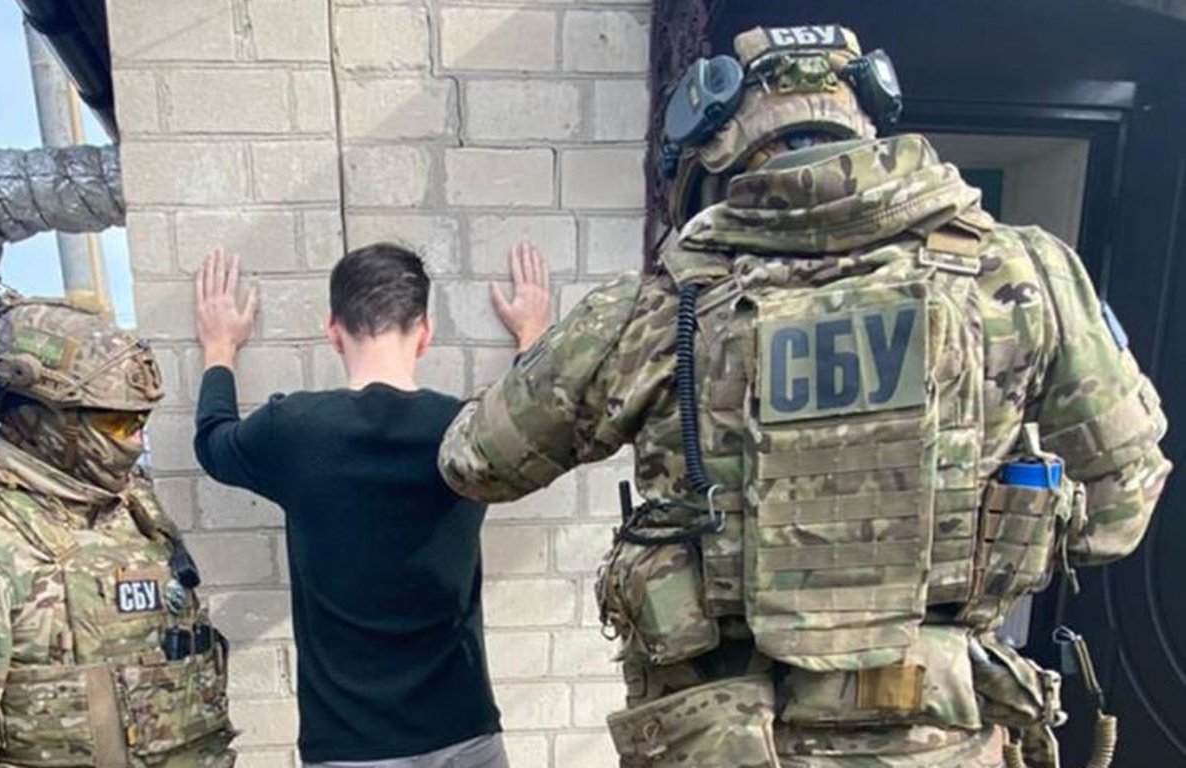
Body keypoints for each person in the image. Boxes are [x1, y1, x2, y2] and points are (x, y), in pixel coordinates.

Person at [437, 24, 1172, 768]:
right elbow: (1119, 511)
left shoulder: (654, 310)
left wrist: (541, 357)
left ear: (716, 151)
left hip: (723, 741)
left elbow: (475, 461)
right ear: (865, 124)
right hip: (942, 734)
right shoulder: (1026, 275)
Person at [191, 243, 550, 767]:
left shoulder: (292, 431)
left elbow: (212, 442)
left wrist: (220, 346)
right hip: (463, 734)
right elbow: (537, 426)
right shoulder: (467, 432)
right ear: (425, 334)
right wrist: (533, 334)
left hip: (350, 748)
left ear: (333, 331)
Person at [0, 291, 235, 767]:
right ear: (39, 417)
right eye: (116, 422)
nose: (136, 438)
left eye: (141, 420)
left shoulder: (131, 510)